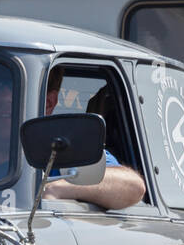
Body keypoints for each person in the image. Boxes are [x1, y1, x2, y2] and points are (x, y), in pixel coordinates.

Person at [41, 71, 147, 210]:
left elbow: (132, 185)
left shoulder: (61, 150)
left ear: (48, 103)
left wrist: (55, 188)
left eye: (6, 85)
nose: (1, 98)